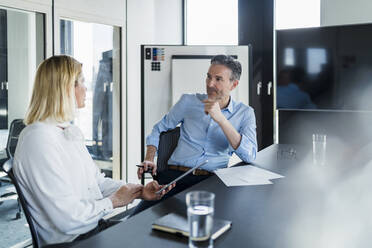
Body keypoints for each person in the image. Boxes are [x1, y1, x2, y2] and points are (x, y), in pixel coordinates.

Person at [13, 55, 173, 245]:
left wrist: (138, 191)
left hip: (93, 229)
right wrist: (113, 201)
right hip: (74, 241)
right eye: (80, 81)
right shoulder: (38, 140)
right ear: (64, 88)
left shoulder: (66, 131)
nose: (85, 87)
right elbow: (67, 220)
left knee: (158, 235)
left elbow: (96, 183)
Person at [134, 55, 257, 214]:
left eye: (218, 79)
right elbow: (159, 129)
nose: (210, 84)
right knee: (137, 219)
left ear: (234, 84)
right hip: (174, 178)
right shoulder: (188, 101)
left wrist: (221, 120)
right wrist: (149, 157)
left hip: (211, 181)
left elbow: (250, 155)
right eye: (208, 77)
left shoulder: (245, 113)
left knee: (204, 226)